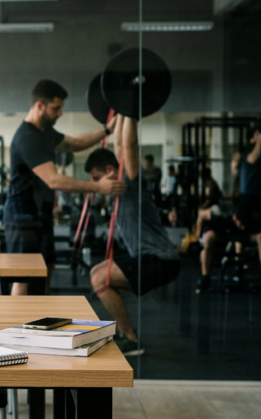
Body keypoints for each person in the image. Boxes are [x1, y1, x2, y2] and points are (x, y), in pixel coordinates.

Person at [3, 79, 126, 296]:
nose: (60, 113)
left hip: (41, 215)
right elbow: (54, 180)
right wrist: (98, 186)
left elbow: (75, 144)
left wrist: (107, 130)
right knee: (24, 278)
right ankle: (16, 329)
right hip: (22, 217)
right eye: (56, 108)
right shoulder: (28, 137)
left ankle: (38, 324)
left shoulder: (45, 132)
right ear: (40, 106)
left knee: (46, 270)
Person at [84, 116, 181, 356]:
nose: (95, 184)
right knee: (96, 273)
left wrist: (130, 115)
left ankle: (130, 338)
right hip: (148, 256)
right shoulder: (117, 187)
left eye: (97, 178)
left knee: (100, 279)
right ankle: (126, 334)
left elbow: (128, 147)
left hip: (161, 259)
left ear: (109, 171)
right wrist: (120, 114)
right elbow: (119, 147)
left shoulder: (130, 184)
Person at [231, 128, 261, 285]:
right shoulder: (247, 153)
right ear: (251, 139)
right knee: (242, 235)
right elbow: (252, 159)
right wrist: (260, 140)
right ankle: (240, 268)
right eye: (257, 135)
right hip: (247, 200)